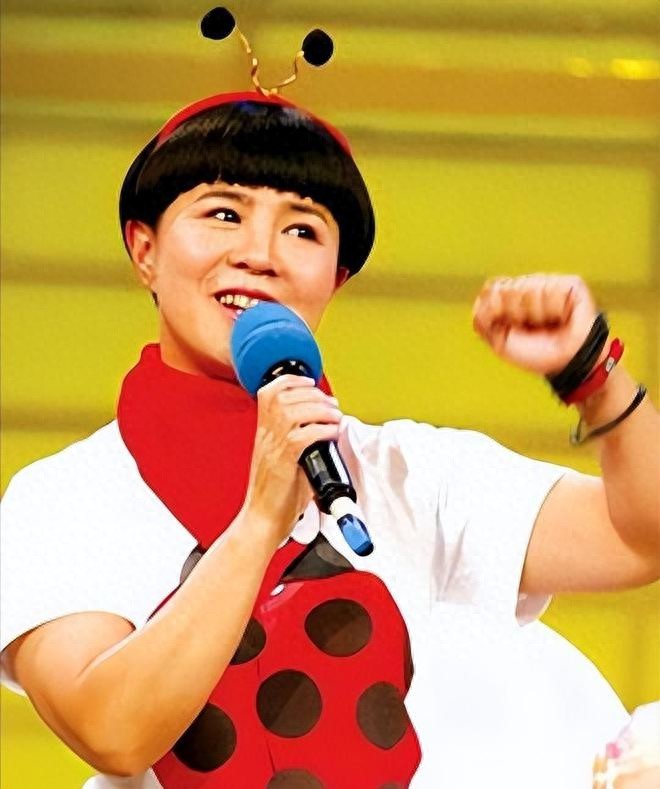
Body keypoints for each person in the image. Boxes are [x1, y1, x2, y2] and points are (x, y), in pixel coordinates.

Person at [1, 83, 658, 789]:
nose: (260, 254)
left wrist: (593, 372)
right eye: (223, 214)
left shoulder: (406, 473)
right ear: (145, 250)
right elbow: (112, 731)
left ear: (336, 278)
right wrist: (260, 519)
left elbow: (636, 538)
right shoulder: (63, 498)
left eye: (303, 230)